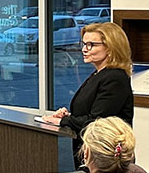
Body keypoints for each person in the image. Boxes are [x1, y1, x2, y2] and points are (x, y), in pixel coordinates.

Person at [42, 22, 133, 156]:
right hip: (90, 150)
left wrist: (64, 121)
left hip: (105, 156)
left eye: (91, 45)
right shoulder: (99, 74)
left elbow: (98, 121)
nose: (84, 49)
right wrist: (70, 116)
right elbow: (91, 110)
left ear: (111, 48)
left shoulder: (114, 77)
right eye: (84, 44)